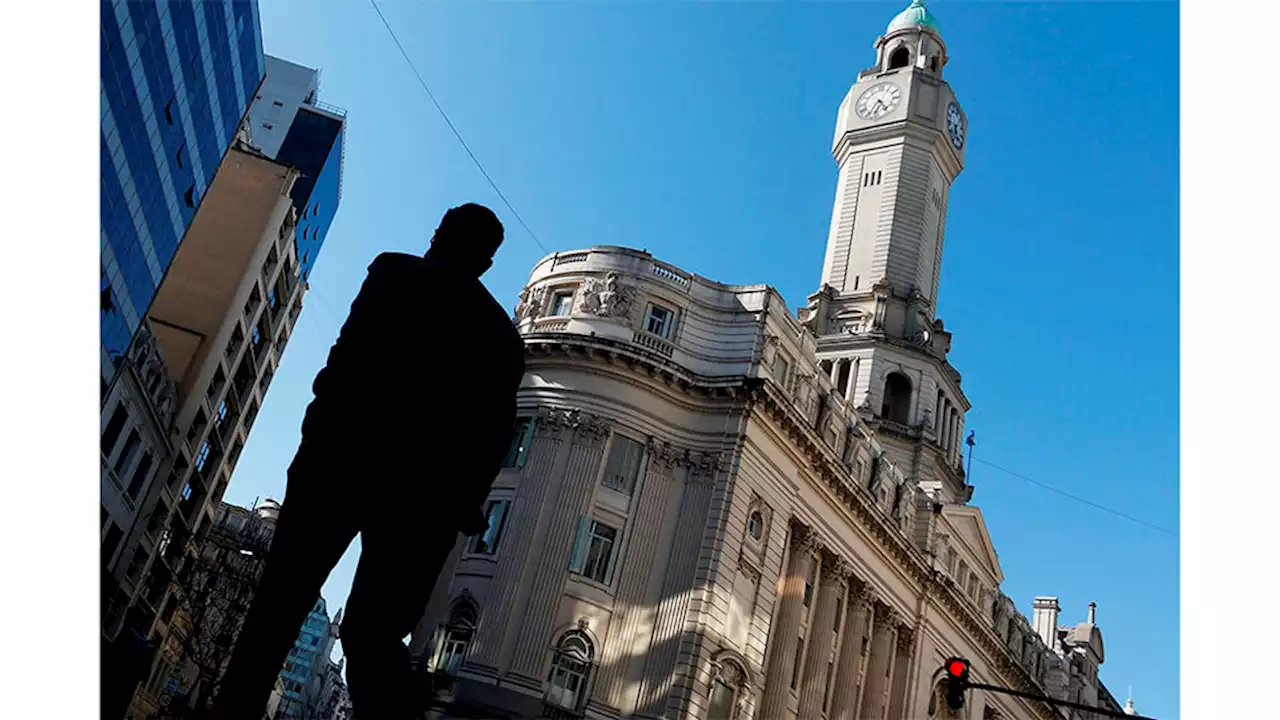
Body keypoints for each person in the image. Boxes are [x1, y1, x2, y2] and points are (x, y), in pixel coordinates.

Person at [211, 204, 526, 720]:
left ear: (439, 234)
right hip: (419, 504)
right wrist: (461, 506)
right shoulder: (501, 340)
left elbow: (345, 360)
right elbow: (491, 440)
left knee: (279, 607)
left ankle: (232, 711)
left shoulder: (394, 272)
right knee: (373, 636)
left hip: (340, 463)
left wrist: (319, 432)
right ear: (487, 263)